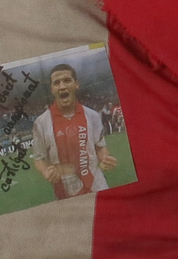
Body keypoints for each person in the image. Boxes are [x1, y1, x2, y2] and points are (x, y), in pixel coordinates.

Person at [31, 64, 117, 200]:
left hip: (96, 184)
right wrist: (46, 171)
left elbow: (100, 146)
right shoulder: (41, 123)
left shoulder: (92, 116)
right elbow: (39, 158)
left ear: (76, 84)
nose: (62, 86)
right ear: (52, 89)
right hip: (65, 191)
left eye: (67, 80)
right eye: (56, 83)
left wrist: (105, 158)